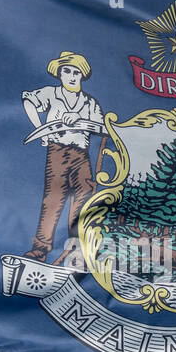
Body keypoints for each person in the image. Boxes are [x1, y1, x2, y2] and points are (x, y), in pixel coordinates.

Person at [21, 51, 104, 262]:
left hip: (82, 154)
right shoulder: (51, 93)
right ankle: (40, 249)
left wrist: (79, 118)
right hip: (58, 151)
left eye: (76, 71)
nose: (72, 75)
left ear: (82, 75)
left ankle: (78, 247)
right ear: (59, 73)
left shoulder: (89, 102)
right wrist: (41, 128)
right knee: (53, 199)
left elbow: (102, 127)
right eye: (67, 70)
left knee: (84, 197)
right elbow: (29, 100)